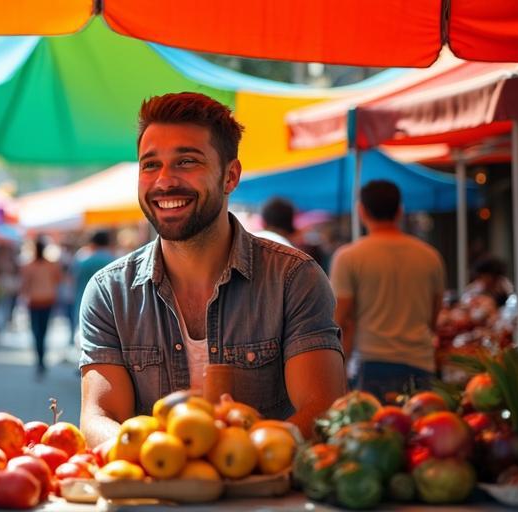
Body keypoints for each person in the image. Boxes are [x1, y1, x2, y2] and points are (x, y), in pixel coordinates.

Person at [79, 92, 346, 446]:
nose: (164, 181)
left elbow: (322, 408)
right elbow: (99, 418)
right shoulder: (109, 293)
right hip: (149, 481)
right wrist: (162, 460)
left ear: (230, 176)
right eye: (150, 165)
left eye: (187, 161)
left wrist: (247, 456)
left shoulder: (293, 279)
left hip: (268, 483)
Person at [331, 180, 445, 401]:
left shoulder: (348, 257)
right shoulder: (430, 256)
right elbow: (434, 319)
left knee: (373, 424)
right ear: (400, 211)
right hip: (420, 363)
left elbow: (339, 320)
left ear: (361, 211)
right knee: (420, 423)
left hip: (371, 365)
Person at [21, 238, 63, 377]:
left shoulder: (29, 266)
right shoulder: (51, 265)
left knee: (36, 331)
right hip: (47, 299)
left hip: (35, 300)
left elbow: (25, 284)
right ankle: (41, 359)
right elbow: (58, 280)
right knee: (43, 331)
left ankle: (40, 359)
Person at [70, 231, 116, 348]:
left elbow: (73, 281)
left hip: (84, 303)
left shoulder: (83, 262)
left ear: (93, 243)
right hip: (111, 307)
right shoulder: (115, 261)